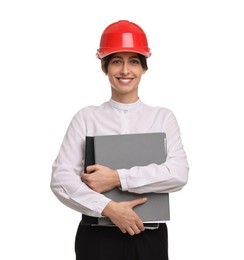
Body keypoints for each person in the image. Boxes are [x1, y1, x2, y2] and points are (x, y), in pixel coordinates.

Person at [51, 20, 189, 260]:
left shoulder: (162, 118)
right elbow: (61, 179)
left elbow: (177, 173)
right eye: (116, 61)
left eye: (133, 61)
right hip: (96, 239)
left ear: (144, 67)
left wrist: (117, 178)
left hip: (149, 236)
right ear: (104, 67)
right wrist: (108, 209)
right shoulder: (86, 118)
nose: (125, 70)